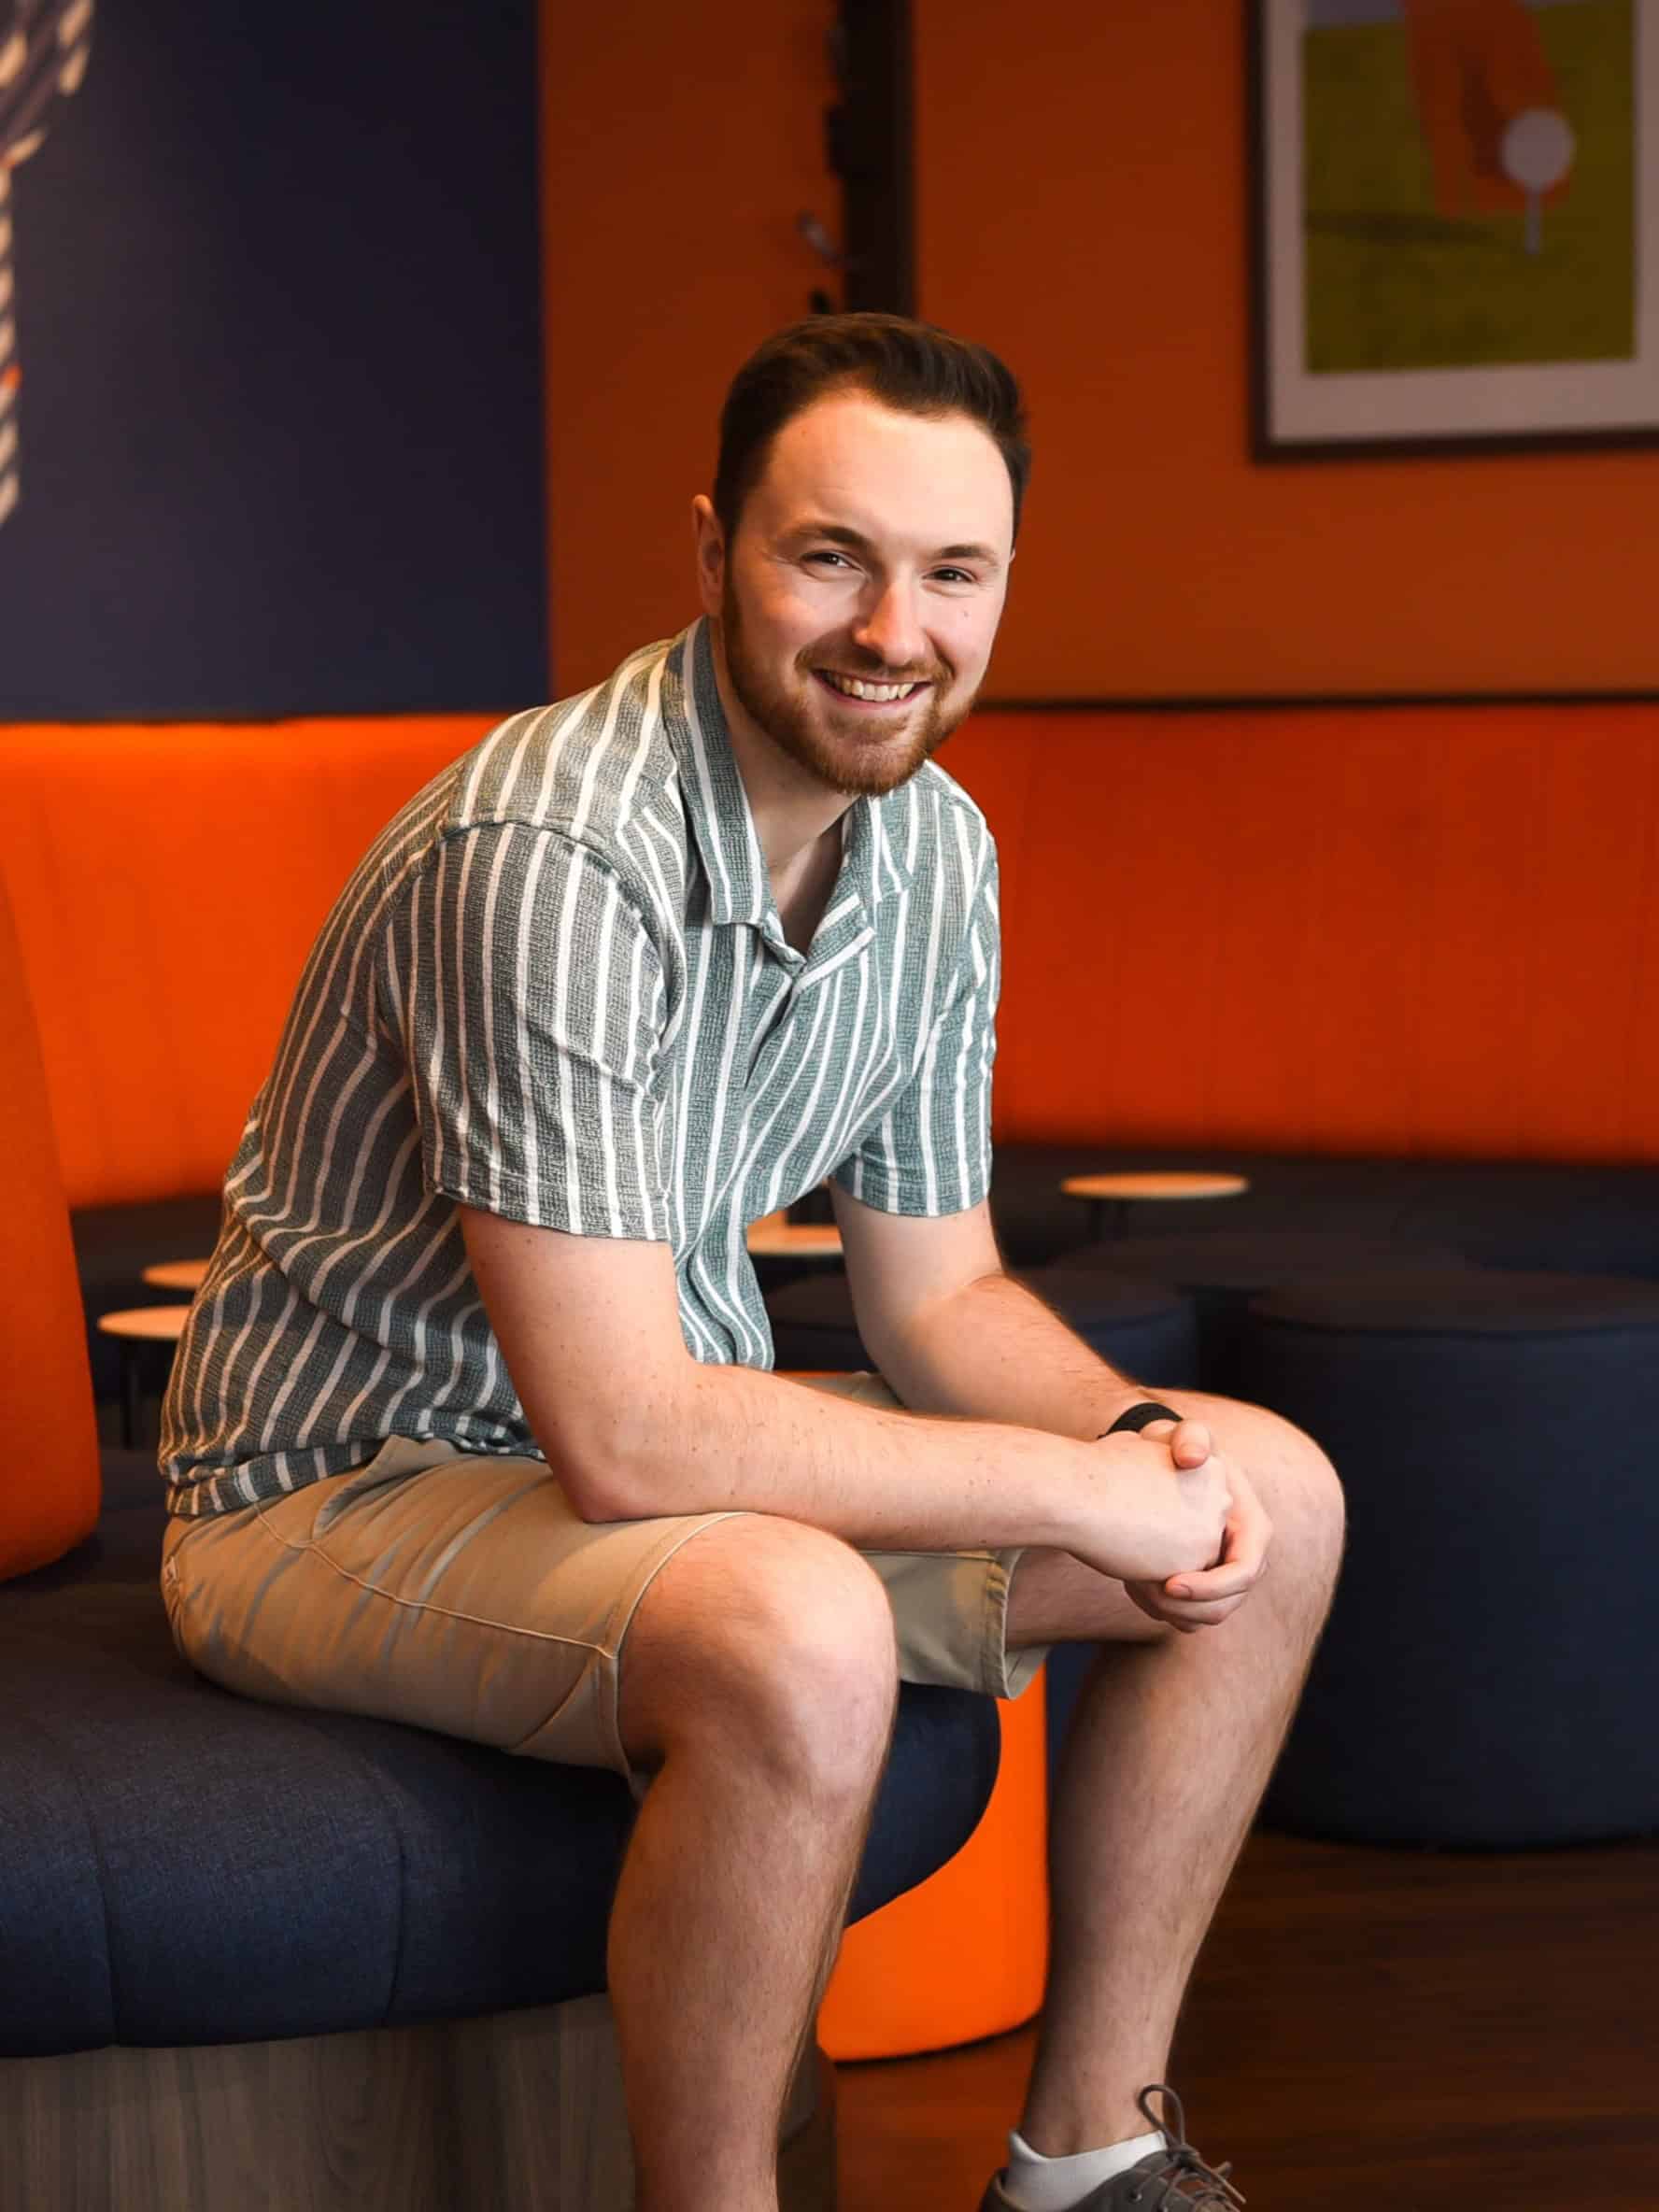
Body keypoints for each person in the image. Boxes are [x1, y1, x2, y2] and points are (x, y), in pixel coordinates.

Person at [158, 312, 1344, 2212]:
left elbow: (936, 1294)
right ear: (711, 547)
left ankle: (1091, 2155)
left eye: (953, 571)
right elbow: (627, 1435)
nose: (895, 628)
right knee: (799, 1623)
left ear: (1004, 581)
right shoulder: (546, 849)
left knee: (1271, 1494)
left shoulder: (936, 849)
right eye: (830, 556)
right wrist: (1076, 1488)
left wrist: (1144, 1444)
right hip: (339, 1486)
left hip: (627, 1471)